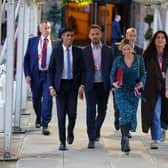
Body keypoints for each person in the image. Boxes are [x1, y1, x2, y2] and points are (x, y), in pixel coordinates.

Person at [78, 24, 114, 149]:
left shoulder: (109, 50)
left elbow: (112, 69)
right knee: (91, 111)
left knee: (103, 110)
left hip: (104, 85)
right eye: (92, 34)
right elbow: (81, 70)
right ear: (89, 36)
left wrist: (113, 84)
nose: (95, 36)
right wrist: (81, 85)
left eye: (97, 34)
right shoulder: (84, 51)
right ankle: (91, 138)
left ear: (101, 35)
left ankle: (96, 128)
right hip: (90, 85)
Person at [48, 28, 83, 151]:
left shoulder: (78, 51)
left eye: (72, 35)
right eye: (67, 35)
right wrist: (51, 87)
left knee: (72, 114)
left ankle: (70, 131)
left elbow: (82, 70)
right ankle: (62, 141)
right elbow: (50, 71)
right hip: (60, 87)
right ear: (62, 37)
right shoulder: (56, 51)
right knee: (61, 115)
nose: (70, 38)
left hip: (73, 86)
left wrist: (81, 85)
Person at [110, 39, 146, 153]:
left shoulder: (139, 59)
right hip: (121, 91)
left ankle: (125, 135)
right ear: (121, 49)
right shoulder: (118, 60)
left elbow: (144, 74)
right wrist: (114, 83)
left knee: (131, 114)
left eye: (128, 48)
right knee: (125, 112)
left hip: (134, 91)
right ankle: (124, 139)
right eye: (124, 49)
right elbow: (112, 74)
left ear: (132, 48)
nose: (126, 51)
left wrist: (141, 83)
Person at [24, 20, 57, 135]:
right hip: (35, 74)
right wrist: (27, 74)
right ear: (40, 29)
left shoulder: (55, 43)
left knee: (47, 100)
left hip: (49, 75)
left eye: (48, 28)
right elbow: (26, 59)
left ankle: (45, 124)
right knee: (36, 99)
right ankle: (38, 116)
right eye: (45, 28)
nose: (47, 30)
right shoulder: (32, 42)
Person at [113, 27, 143, 132]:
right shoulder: (117, 48)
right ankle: (117, 118)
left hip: (133, 84)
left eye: (134, 36)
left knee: (130, 107)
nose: (132, 38)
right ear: (126, 36)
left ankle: (126, 129)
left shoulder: (139, 50)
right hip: (119, 83)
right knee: (118, 107)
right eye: (130, 35)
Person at [141, 30, 168, 149]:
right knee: (155, 112)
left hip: (166, 87)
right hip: (152, 88)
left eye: (163, 37)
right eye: (158, 37)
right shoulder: (148, 54)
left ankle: (163, 129)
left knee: (165, 112)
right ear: (154, 40)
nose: (160, 39)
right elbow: (142, 71)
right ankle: (155, 138)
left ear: (166, 41)